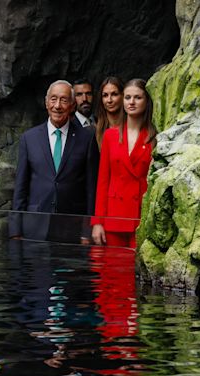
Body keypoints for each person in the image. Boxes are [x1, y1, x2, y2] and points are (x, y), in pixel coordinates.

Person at [9, 80, 99, 242]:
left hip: (72, 229)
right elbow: (21, 187)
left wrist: (87, 230)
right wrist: (16, 230)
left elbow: (91, 189)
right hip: (35, 227)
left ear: (72, 106)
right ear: (46, 102)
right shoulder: (29, 138)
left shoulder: (87, 139)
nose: (57, 105)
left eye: (64, 100)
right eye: (53, 99)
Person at [91, 78, 157, 248]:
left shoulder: (154, 137)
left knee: (135, 270)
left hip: (140, 215)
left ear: (147, 101)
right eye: (128, 97)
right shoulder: (110, 136)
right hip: (114, 216)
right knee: (111, 269)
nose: (131, 102)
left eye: (138, 98)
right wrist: (97, 222)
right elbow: (103, 181)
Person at [94, 76, 124, 149]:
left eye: (114, 94)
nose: (109, 100)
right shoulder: (93, 132)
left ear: (123, 96)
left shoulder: (133, 128)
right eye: (105, 95)